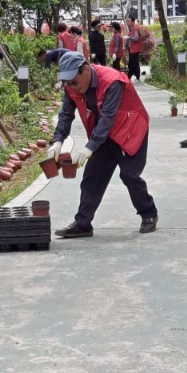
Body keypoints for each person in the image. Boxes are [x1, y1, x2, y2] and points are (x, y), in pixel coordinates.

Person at [46, 52, 158, 238]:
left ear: (86, 69)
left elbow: (107, 118)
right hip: (104, 135)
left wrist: (89, 147)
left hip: (130, 129)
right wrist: (58, 141)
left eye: (74, 81)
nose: (72, 87)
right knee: (92, 176)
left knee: (129, 175)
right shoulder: (71, 87)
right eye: (68, 83)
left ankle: (149, 213)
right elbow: (66, 114)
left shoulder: (112, 81)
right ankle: (83, 224)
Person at [125, 15, 142, 81]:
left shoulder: (135, 28)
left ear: (132, 22)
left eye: (129, 21)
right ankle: (132, 76)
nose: (127, 22)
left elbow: (136, 38)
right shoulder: (131, 29)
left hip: (135, 49)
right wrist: (126, 45)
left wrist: (128, 38)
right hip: (131, 49)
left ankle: (135, 76)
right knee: (132, 63)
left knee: (134, 63)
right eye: (127, 21)